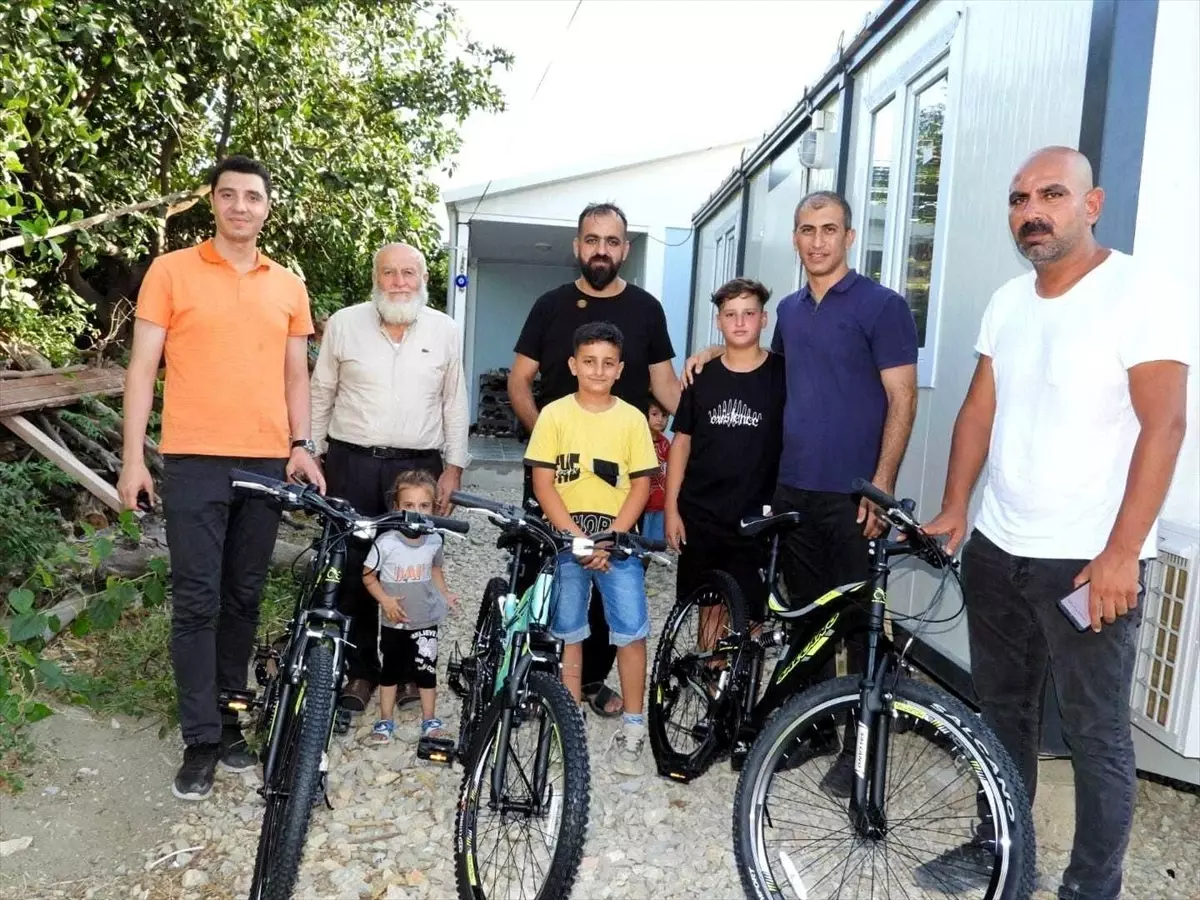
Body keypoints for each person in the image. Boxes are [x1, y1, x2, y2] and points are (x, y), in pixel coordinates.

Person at [923, 146, 1192, 900]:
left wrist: (1121, 554)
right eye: (1018, 200)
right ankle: (997, 849)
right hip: (999, 548)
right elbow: (980, 410)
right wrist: (954, 506)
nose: (1031, 212)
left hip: (1087, 564)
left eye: (1050, 195)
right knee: (1000, 710)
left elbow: (1164, 426)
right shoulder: (1008, 302)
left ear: (1092, 203)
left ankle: (1090, 887)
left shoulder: (1140, 291)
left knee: (1094, 732)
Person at [684, 190, 918, 792]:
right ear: (795, 238)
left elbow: (903, 398)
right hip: (791, 493)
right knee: (808, 619)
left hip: (852, 496)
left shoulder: (881, 306)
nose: (818, 241)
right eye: (807, 230)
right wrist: (719, 349)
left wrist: (883, 484)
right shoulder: (787, 310)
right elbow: (766, 367)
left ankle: (863, 753)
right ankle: (811, 729)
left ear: (849, 235)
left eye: (829, 229)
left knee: (862, 622)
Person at [117, 154, 325, 801]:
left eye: (252, 197)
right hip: (193, 460)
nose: (241, 206)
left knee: (243, 598)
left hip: (264, 462)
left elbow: (297, 375)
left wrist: (301, 444)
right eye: (229, 195)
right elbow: (142, 369)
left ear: (267, 208)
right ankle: (200, 740)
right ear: (213, 202)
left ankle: (234, 724)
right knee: (197, 602)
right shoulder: (171, 272)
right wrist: (132, 458)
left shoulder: (288, 285)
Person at [510, 202, 680, 719]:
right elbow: (520, 381)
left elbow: (666, 386)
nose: (601, 250)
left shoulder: (648, 309)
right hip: (555, 477)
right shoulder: (550, 305)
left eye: (611, 241)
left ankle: (591, 683)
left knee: (614, 581)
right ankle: (532, 682)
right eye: (592, 240)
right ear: (577, 246)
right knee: (542, 578)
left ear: (625, 249)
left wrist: (707, 423)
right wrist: (548, 442)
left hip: (619, 482)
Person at [310, 242, 469, 719]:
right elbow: (322, 392)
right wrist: (312, 453)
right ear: (375, 279)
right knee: (355, 564)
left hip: (417, 465)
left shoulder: (444, 329)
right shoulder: (343, 323)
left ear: (423, 278)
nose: (399, 282)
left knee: (412, 567)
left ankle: (403, 672)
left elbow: (454, 400)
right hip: (351, 461)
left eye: (408, 273)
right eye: (389, 273)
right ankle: (360, 668)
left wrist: (454, 468)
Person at [524, 322, 659, 775]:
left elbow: (641, 485)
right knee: (569, 630)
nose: (598, 370)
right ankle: (569, 719)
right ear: (572, 365)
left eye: (607, 363)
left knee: (630, 630)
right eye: (589, 362)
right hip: (567, 539)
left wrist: (611, 538)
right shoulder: (555, 415)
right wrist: (578, 540)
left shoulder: (632, 419)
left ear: (619, 369)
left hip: (618, 542)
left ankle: (635, 729)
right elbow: (544, 483)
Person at [666, 277, 785, 635]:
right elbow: (681, 443)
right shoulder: (701, 377)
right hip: (702, 514)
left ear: (764, 319)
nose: (740, 322)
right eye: (730, 314)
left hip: (757, 518)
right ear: (718, 321)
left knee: (751, 616)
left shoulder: (783, 375)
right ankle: (709, 682)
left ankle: (740, 688)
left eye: (749, 313)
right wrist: (671, 509)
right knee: (710, 608)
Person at [361, 470, 457, 746]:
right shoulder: (386, 543)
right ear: (397, 507)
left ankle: (430, 720)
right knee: (389, 670)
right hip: (395, 621)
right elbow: (368, 576)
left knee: (427, 671)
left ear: (434, 507)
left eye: (424, 506)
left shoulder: (434, 539)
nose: (417, 512)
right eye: (409, 506)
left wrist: (444, 593)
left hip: (426, 619)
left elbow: (436, 568)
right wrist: (386, 601)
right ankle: (385, 719)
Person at [640, 399, 671, 542]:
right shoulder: (638, 441)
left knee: (655, 545)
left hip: (660, 502)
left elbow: (668, 472)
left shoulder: (665, 444)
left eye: (664, 416)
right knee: (639, 543)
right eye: (654, 414)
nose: (660, 419)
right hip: (641, 503)